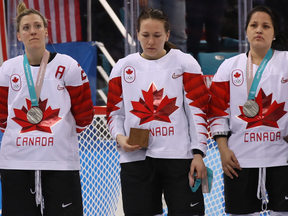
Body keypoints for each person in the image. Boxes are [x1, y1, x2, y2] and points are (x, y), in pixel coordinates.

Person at [106, 8, 209, 216]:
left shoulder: (185, 63)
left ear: (168, 35)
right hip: (136, 160)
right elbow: (115, 114)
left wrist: (198, 153)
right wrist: (120, 137)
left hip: (180, 159)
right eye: (145, 35)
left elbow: (197, 112)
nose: (151, 41)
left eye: (157, 35)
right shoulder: (122, 67)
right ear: (137, 34)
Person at [0, 3, 94, 216]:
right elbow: (1, 116)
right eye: (26, 28)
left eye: (37, 26)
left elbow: (84, 115)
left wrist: (59, 136)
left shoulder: (68, 66)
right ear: (18, 35)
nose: (32, 31)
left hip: (59, 161)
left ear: (46, 31)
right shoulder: (8, 69)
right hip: (16, 162)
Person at [208, 5, 288, 216]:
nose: (259, 30)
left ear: (274, 33)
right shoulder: (228, 66)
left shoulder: (287, 62)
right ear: (246, 31)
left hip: (282, 159)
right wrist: (223, 150)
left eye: (265, 26)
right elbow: (217, 113)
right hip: (239, 160)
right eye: (254, 25)